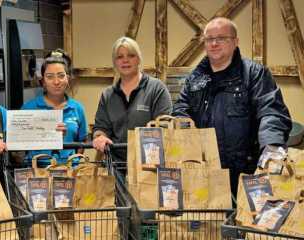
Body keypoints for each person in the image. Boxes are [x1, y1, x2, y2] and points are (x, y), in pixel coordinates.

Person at [172, 17, 292, 197]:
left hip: (247, 172)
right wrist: (183, 124)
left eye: (221, 38)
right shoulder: (195, 79)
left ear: (235, 41)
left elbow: (271, 111)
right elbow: (181, 108)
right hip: (205, 172)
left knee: (245, 222)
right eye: (209, 39)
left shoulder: (254, 73)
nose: (214, 43)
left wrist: (272, 146)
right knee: (209, 223)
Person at [93, 36, 173, 166]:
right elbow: (101, 127)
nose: (125, 60)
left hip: (150, 166)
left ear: (139, 59)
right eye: (120, 57)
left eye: (131, 55)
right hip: (116, 166)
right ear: (115, 62)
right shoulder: (107, 95)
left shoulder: (157, 89)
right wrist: (100, 137)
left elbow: (165, 126)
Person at [21, 49, 88, 167]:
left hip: (69, 174)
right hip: (38, 174)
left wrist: (74, 163)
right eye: (50, 77)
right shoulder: (28, 108)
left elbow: (82, 142)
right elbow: (18, 147)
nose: (56, 81)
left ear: (67, 78)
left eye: (61, 76)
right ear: (43, 81)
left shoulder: (77, 108)